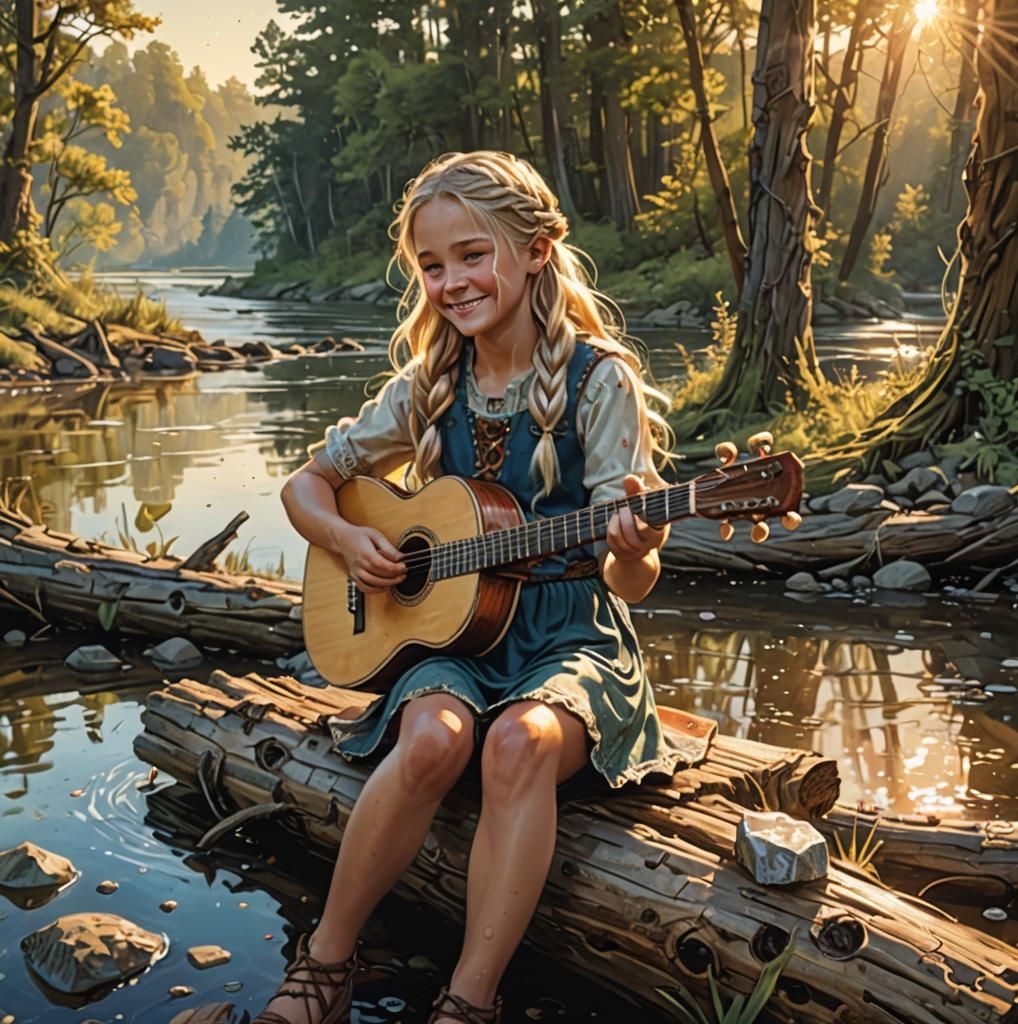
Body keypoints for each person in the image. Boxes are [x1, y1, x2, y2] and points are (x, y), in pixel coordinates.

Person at [258, 151, 709, 1024]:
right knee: (431, 740)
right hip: (454, 638)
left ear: (538, 249)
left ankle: (468, 1001)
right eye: (432, 266)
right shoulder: (429, 383)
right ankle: (325, 964)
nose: (452, 283)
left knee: (515, 747)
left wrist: (636, 539)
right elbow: (303, 487)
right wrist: (353, 541)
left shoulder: (598, 379)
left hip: (571, 637)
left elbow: (633, 580)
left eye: (472, 255)